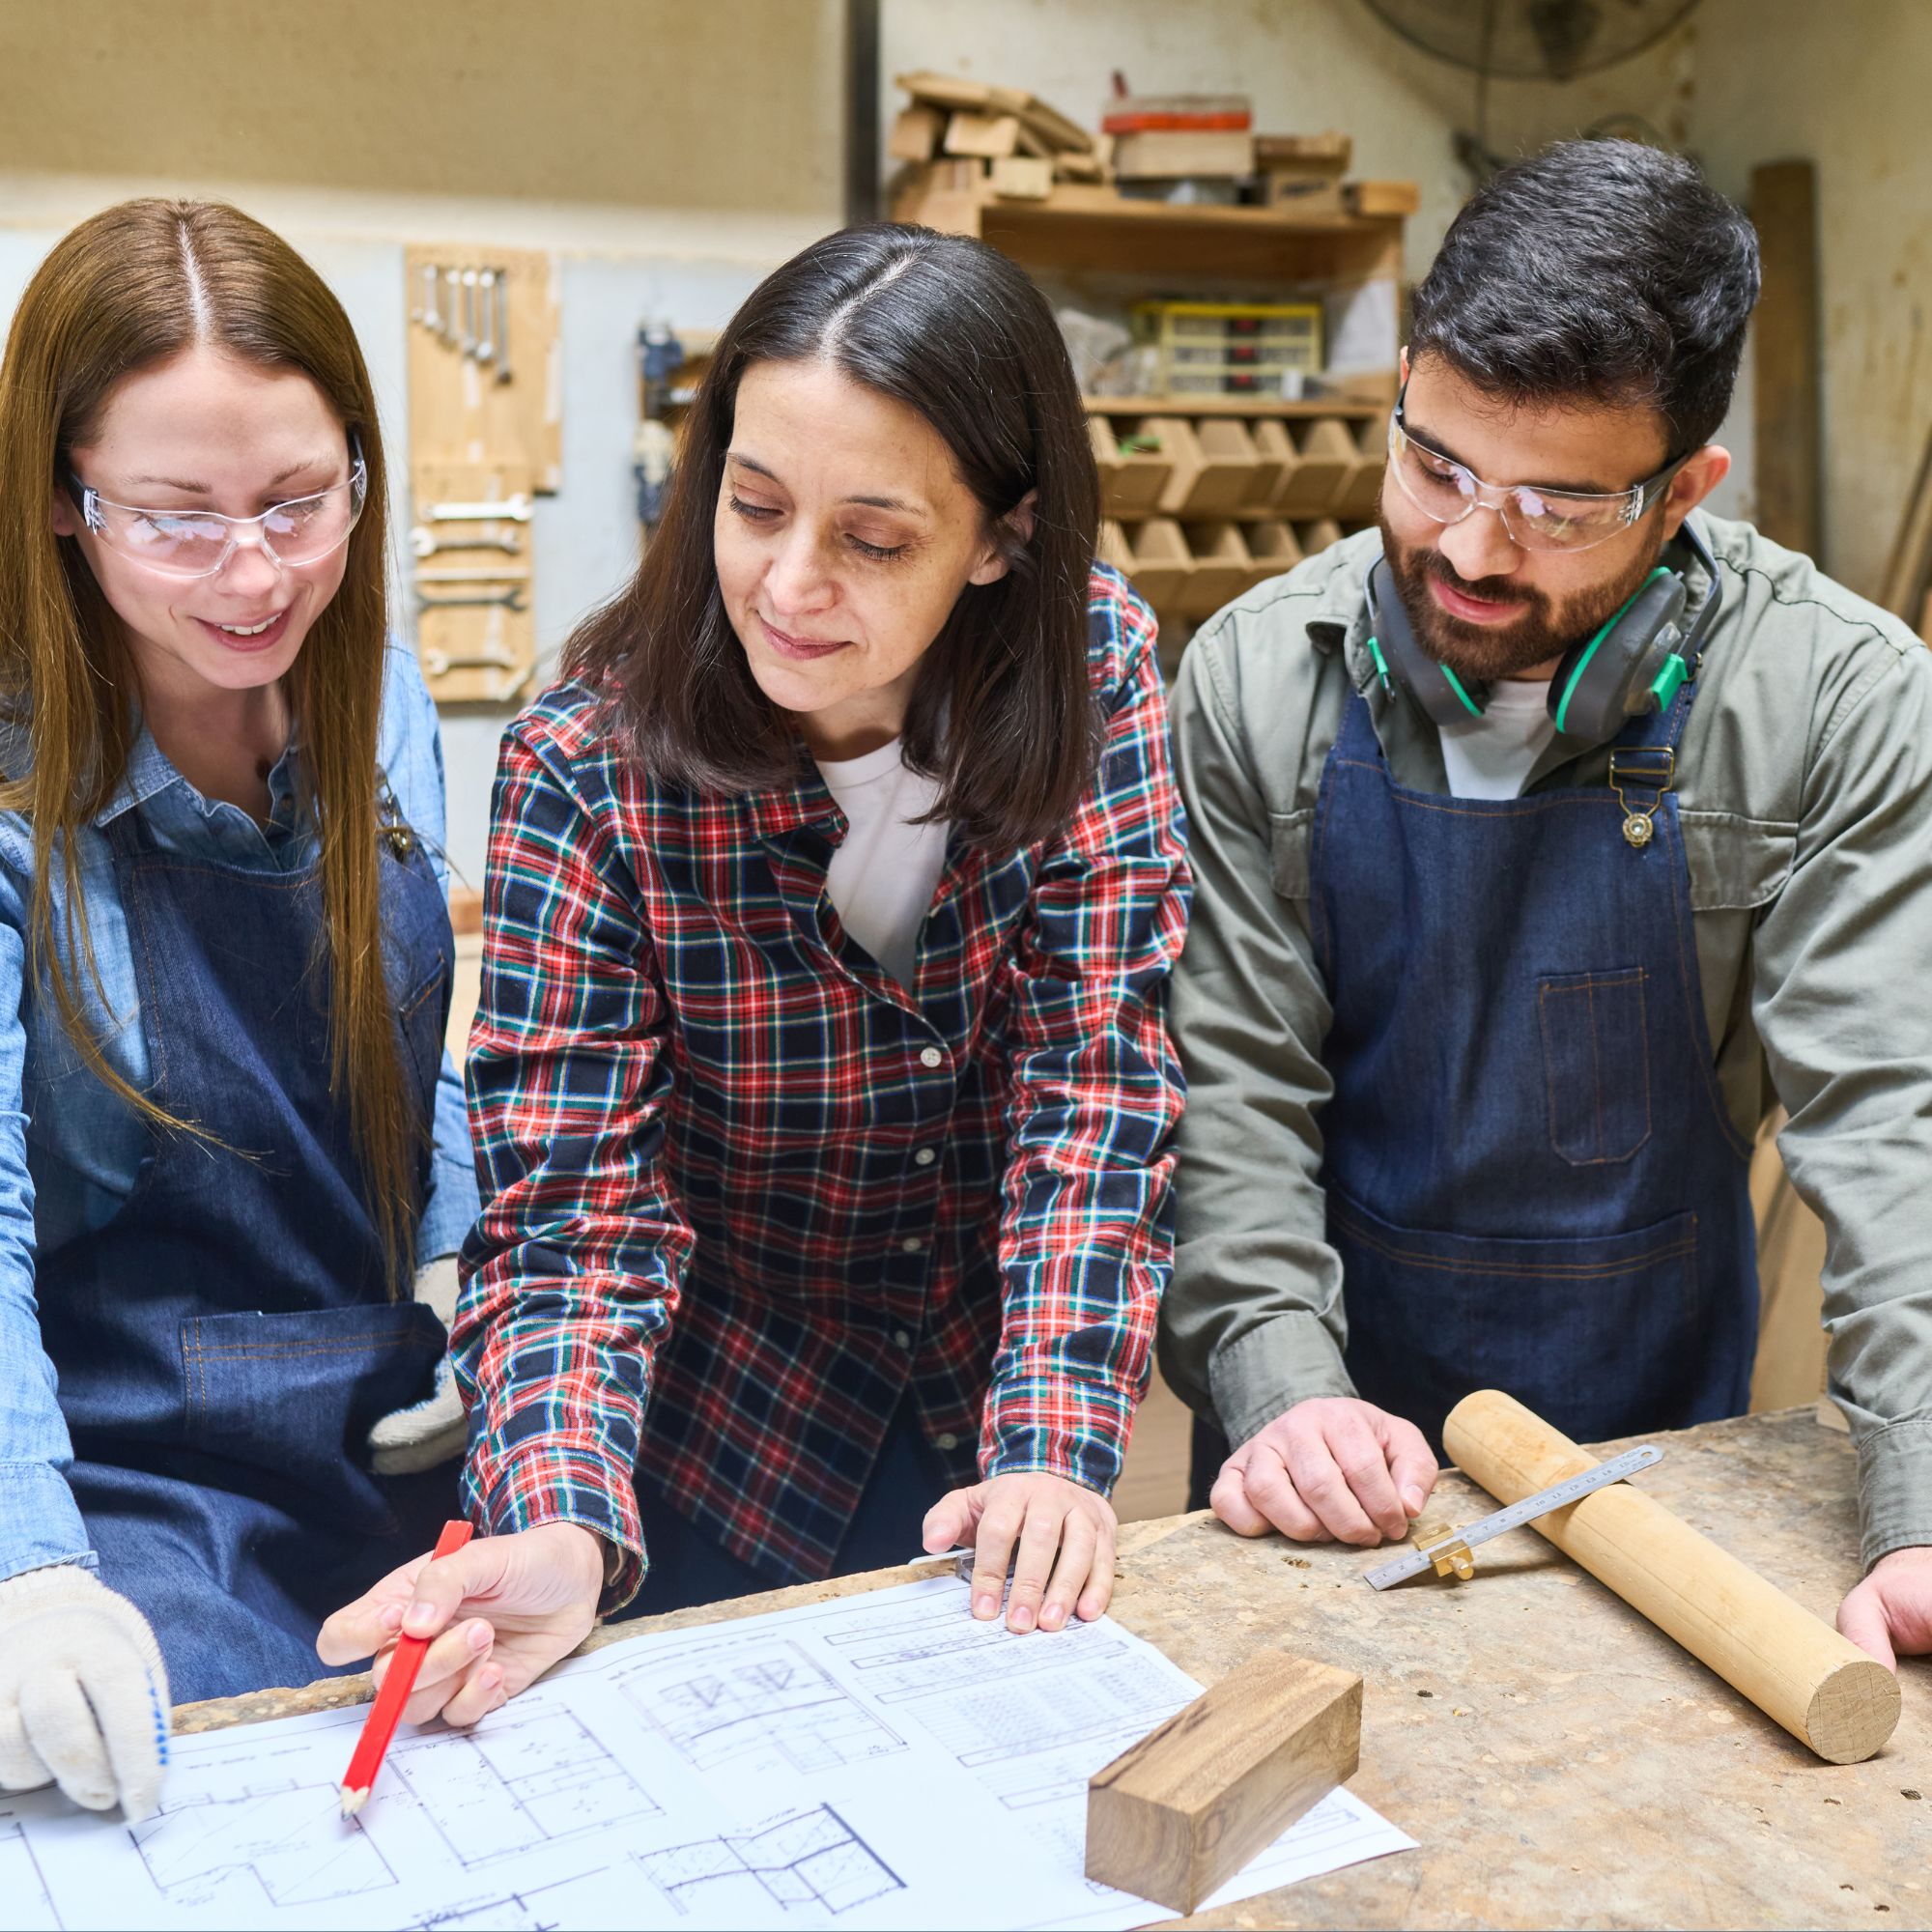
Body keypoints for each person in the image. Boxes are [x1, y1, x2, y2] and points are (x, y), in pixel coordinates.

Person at [319, 223, 1189, 1729]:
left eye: (873, 538)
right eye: (756, 504)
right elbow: (578, 1211)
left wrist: (1052, 1435)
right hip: (714, 1428)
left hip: (990, 1398)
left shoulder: (1094, 668)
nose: (788, 585)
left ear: (1003, 538)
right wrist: (564, 1516)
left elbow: (1092, 1092)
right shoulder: (589, 767)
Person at [1160, 140, 1932, 1671]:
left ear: (1686, 487)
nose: (1469, 546)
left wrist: (1923, 1499)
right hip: (1325, 1450)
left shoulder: (1837, 699)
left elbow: (1895, 1112)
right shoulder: (1254, 680)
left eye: (1557, 506)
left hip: (1660, 1443)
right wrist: (1279, 1386)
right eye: (1434, 462)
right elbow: (1231, 1094)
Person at [0, 199, 479, 1820]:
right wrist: (29, 1572)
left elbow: (422, 1054)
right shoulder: (16, 796)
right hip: (142, 1490)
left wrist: (472, 1258)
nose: (259, 572)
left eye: (299, 499)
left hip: (400, 1432)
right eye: (176, 517)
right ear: (63, 504)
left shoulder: (380, 698)